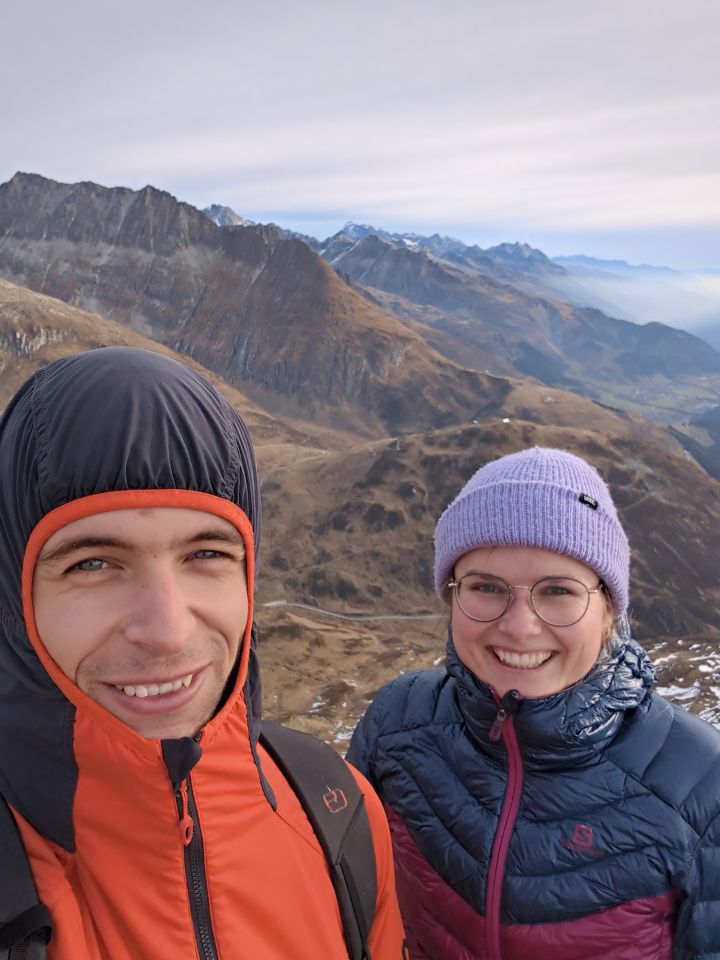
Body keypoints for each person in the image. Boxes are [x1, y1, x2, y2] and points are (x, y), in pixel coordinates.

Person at [0, 347, 404, 959]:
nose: (167, 630)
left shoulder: (340, 813)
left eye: (206, 554)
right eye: (92, 563)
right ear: (13, 595)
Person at [348, 446, 720, 960]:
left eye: (558, 591)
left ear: (609, 610)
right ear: (451, 596)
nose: (520, 626)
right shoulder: (395, 725)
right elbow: (348, 905)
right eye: (486, 587)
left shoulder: (702, 788)